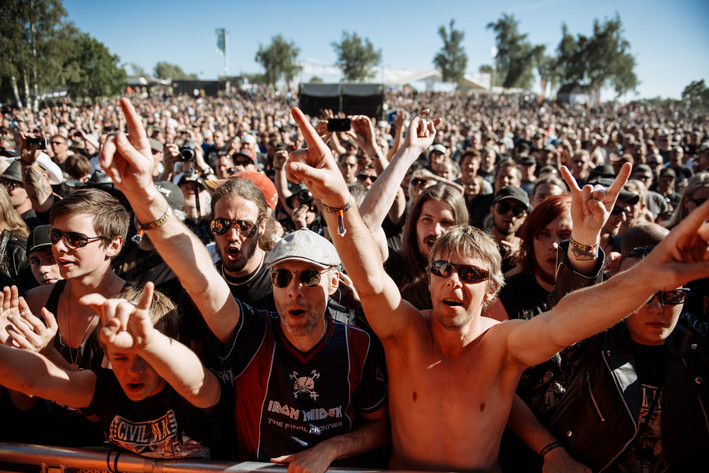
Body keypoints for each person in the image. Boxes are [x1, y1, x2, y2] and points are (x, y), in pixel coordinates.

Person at [282, 104, 709, 472]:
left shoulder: (504, 346)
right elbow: (370, 278)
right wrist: (337, 201)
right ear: (429, 279)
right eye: (444, 269)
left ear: (491, 292)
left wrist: (651, 275)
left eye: (470, 274)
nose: (453, 280)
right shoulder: (405, 333)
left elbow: (570, 319)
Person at [99, 98, 389, 473]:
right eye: (283, 277)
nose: (295, 288)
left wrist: (330, 450)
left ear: (334, 282)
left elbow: (381, 427)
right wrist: (143, 194)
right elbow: (201, 278)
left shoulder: (359, 344)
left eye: (309, 276)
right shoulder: (255, 334)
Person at [0, 283, 223, 459]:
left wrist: (151, 342)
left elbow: (195, 378)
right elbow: (36, 380)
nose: (133, 370)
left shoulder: (190, 393)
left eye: (146, 357)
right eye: (121, 357)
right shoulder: (107, 389)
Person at [550, 245, 709, 472]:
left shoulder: (699, 349)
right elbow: (569, 309)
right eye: (641, 294)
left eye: (671, 295)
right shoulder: (595, 343)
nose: (656, 308)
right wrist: (586, 236)